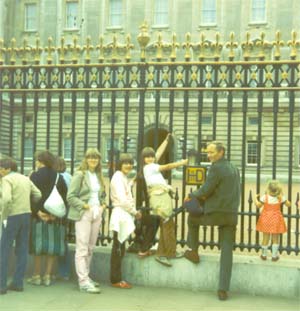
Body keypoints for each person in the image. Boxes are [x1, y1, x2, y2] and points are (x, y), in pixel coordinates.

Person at [184, 141, 240, 301]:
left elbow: (206, 189)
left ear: (221, 152)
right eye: (207, 152)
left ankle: (193, 251)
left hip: (216, 211)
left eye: (211, 152)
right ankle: (223, 289)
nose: (208, 155)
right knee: (227, 249)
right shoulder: (234, 168)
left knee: (192, 219)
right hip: (231, 213)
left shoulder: (216, 167)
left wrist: (192, 196)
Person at [140, 133, 188, 267]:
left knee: (168, 223)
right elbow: (166, 167)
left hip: (161, 194)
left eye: (151, 156)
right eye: (147, 157)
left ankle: (169, 251)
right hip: (159, 195)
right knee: (166, 223)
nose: (150, 158)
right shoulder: (149, 167)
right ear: (143, 159)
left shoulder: (150, 165)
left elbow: (158, 153)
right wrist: (182, 163)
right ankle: (163, 254)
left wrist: (166, 141)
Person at [67, 148, 106, 294]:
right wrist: (84, 206)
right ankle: (82, 281)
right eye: (90, 157)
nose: (93, 160)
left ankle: (86, 277)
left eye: (95, 158)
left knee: (90, 247)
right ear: (86, 159)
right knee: (82, 248)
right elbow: (70, 196)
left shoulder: (98, 175)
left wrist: (103, 204)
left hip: (97, 212)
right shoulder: (80, 174)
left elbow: (100, 194)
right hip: (84, 212)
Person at [0, 157, 41, 295]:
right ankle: (18, 283)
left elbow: (5, 199)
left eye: (1, 168)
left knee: (3, 250)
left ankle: (1, 285)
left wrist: (4, 215)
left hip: (12, 216)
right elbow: (38, 194)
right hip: (26, 215)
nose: (0, 171)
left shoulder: (6, 180)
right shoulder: (25, 178)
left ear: (8, 169)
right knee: (22, 249)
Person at [28, 150, 68, 287]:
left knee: (38, 247)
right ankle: (47, 276)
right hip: (54, 216)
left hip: (38, 216)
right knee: (52, 248)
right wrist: (53, 214)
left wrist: (38, 212)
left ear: (40, 161)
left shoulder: (34, 176)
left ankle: (36, 275)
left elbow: (29, 197)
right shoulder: (59, 177)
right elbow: (64, 198)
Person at [109, 153, 142, 288]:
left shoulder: (122, 177)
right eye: (125, 163)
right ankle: (116, 279)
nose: (128, 165)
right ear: (120, 164)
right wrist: (135, 212)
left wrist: (133, 181)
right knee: (118, 248)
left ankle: (116, 278)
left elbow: (126, 189)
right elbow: (122, 200)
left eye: (130, 163)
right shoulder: (118, 177)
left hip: (123, 215)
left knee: (120, 248)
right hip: (120, 215)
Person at [255, 180, 291, 261]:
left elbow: (258, 205)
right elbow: (289, 205)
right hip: (276, 219)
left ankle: (264, 255)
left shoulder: (265, 197)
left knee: (265, 238)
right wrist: (283, 195)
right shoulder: (280, 197)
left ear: (268, 189)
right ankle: (274, 256)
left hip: (266, 219)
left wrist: (254, 198)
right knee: (275, 238)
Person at [54, 156, 72, 280]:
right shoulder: (69, 176)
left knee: (56, 240)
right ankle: (64, 271)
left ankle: (59, 271)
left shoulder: (57, 177)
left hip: (55, 210)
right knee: (63, 240)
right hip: (66, 211)